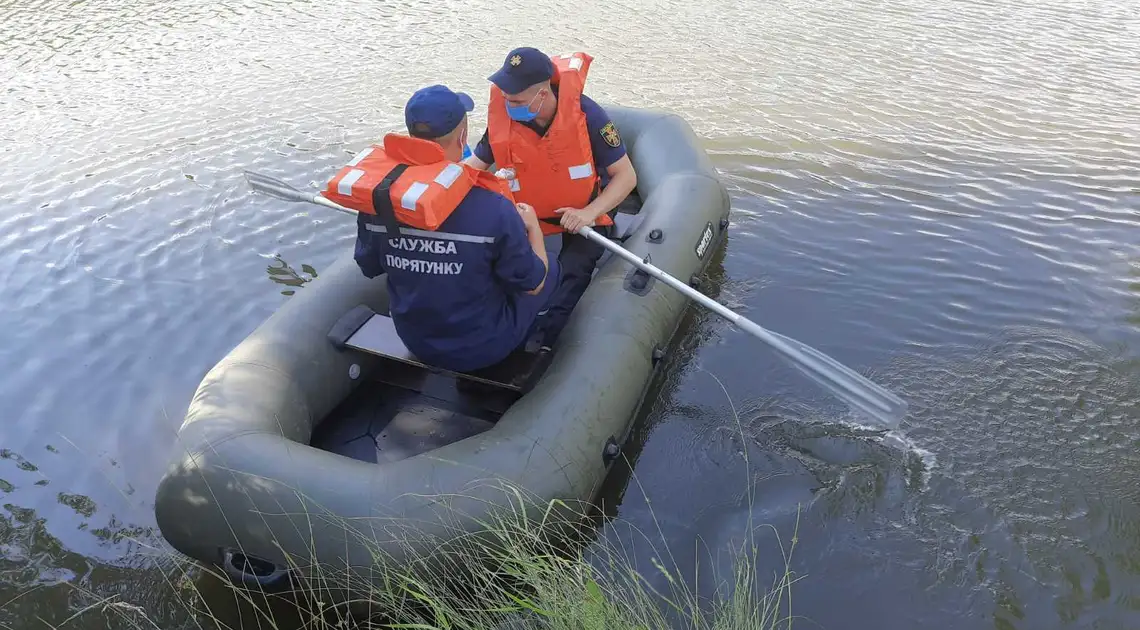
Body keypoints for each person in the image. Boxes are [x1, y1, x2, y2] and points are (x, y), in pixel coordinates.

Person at [327, 84, 560, 373]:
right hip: (483, 348)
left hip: (416, 340)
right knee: (550, 269)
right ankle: (543, 342)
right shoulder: (494, 206)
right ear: (463, 135)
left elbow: (370, 266)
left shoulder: (379, 199)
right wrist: (534, 229)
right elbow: (533, 282)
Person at [464, 47, 638, 349]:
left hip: (584, 214)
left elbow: (626, 176)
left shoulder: (588, 116)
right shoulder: (503, 119)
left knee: (572, 270)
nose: (508, 104)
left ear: (542, 94)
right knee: (496, 264)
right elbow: (473, 168)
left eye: (516, 100)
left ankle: (544, 345)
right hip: (529, 213)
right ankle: (497, 326)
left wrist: (588, 213)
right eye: (505, 97)